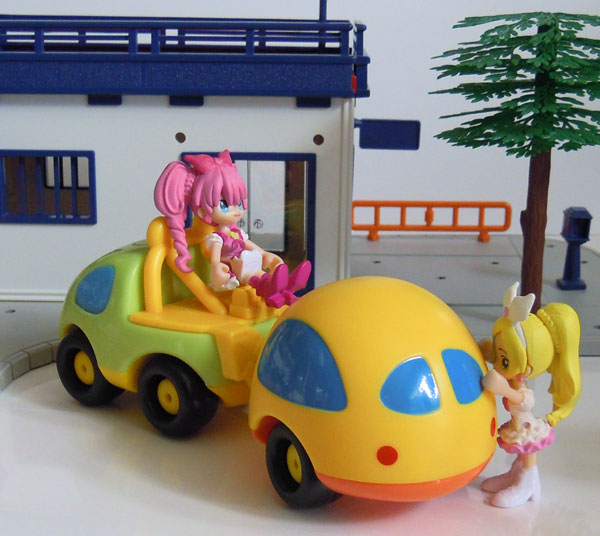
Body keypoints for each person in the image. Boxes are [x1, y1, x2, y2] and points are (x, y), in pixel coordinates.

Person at [154, 150, 310, 307]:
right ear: (203, 212)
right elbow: (215, 258)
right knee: (251, 277)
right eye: (224, 205)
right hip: (231, 271)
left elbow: (249, 245)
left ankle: (287, 288)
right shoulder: (216, 238)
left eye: (239, 203)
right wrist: (216, 267)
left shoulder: (236, 233)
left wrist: (264, 254)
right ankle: (271, 290)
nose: (236, 210)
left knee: (259, 273)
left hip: (246, 262)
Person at [478, 282, 581, 508]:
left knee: (528, 450)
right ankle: (516, 473)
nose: (499, 364)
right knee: (521, 453)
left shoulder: (523, 388)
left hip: (526, 426)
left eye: (505, 360)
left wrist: (503, 389)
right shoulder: (515, 378)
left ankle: (529, 481)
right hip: (519, 423)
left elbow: (525, 402)